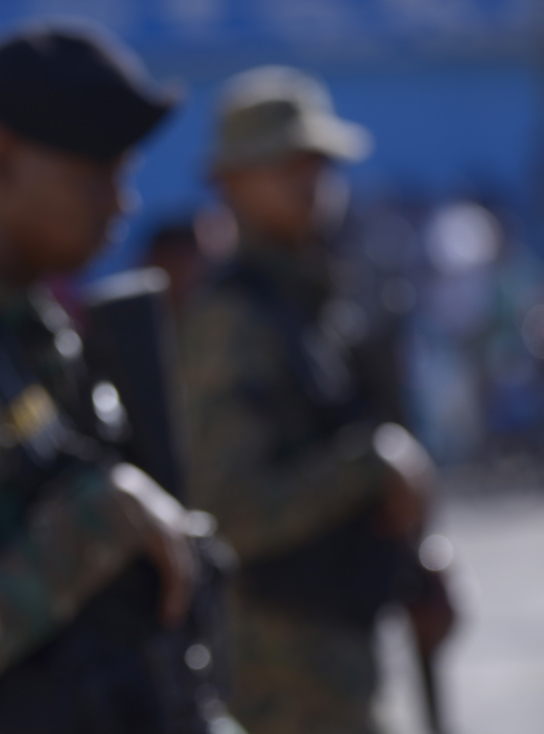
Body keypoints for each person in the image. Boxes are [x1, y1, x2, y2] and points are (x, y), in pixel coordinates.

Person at [0, 24, 239, 734]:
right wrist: (103, 514)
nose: (122, 203)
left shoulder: (37, 335)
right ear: (0, 159)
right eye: (97, 175)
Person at [178, 65, 454, 734]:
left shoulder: (317, 301)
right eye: (282, 164)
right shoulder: (233, 319)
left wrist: (418, 565)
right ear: (231, 184)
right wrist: (371, 465)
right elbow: (227, 510)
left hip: (337, 655)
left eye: (318, 164)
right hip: (275, 680)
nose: (310, 182)